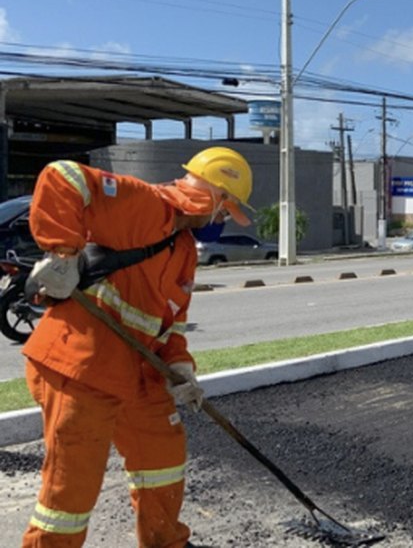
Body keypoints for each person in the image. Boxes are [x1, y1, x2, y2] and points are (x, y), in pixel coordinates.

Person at [22, 147, 253, 547]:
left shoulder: (183, 252)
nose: (220, 222)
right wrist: (61, 252)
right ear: (214, 196)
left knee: (163, 457)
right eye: (223, 212)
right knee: (69, 493)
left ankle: (165, 541)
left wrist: (180, 367)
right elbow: (62, 175)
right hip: (81, 366)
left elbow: (171, 325)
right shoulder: (144, 204)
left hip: (137, 372)